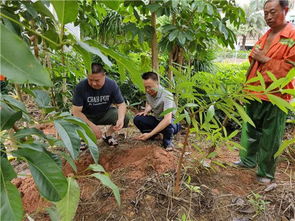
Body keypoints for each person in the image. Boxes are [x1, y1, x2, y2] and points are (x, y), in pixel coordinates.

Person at [235, 0, 295, 184]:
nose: (268, 17)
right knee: (250, 128)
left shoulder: (292, 36)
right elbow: (254, 60)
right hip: (254, 92)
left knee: (271, 135)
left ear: (286, 10)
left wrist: (265, 59)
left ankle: (266, 173)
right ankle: (247, 160)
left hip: (276, 95)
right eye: (265, 13)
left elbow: (290, 68)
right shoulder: (266, 34)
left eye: (273, 12)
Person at [72, 63, 129, 146]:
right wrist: (92, 127)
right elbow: (76, 112)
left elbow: (121, 104)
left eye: (97, 80)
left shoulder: (111, 85)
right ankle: (84, 138)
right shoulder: (81, 87)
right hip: (87, 116)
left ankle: (107, 135)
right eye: (90, 80)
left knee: (124, 118)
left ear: (104, 75)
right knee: (74, 121)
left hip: (104, 114)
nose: (94, 83)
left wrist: (120, 119)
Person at [134, 71, 180, 151]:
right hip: (158, 120)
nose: (147, 90)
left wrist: (149, 134)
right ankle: (156, 136)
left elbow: (167, 120)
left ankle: (167, 142)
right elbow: (149, 102)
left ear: (157, 83)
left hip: (172, 123)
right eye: (145, 87)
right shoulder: (148, 93)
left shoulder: (167, 95)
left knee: (168, 126)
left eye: (149, 87)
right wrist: (146, 111)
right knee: (138, 119)